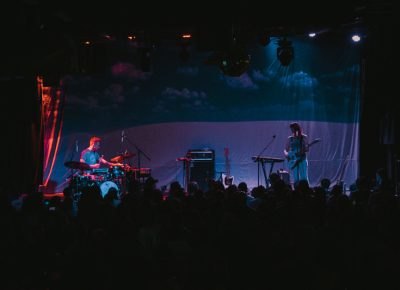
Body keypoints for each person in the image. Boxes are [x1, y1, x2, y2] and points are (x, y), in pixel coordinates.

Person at [284, 122, 309, 187]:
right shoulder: (290, 138)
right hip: (293, 160)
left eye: (293, 129)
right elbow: (285, 149)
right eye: (291, 129)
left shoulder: (304, 137)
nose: (292, 131)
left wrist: (302, 151)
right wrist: (287, 155)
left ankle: (305, 191)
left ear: (297, 129)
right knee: (295, 178)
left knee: (304, 177)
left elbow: (307, 149)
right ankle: (296, 192)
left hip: (302, 159)